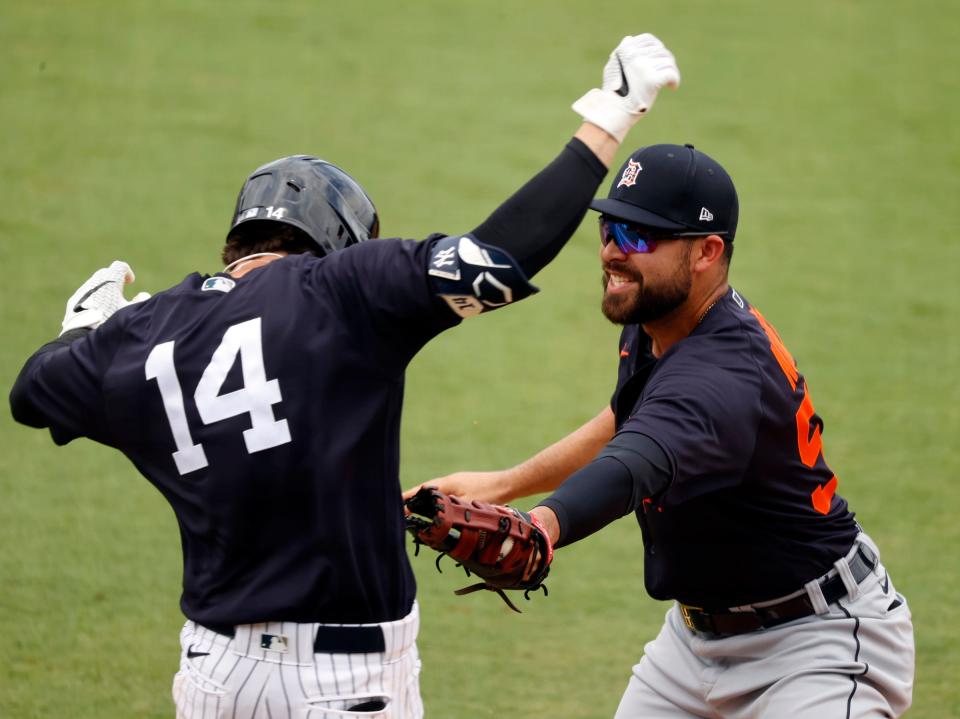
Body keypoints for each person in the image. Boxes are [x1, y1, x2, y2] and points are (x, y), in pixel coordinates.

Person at [8, 34, 680, 719]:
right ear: (335, 241)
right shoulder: (340, 289)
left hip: (215, 679)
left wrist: (87, 333)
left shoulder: (149, 333)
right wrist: (612, 114)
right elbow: (495, 263)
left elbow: (33, 392)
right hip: (346, 683)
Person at [411, 144, 915, 717]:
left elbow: (637, 462)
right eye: (610, 228)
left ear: (706, 251)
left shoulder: (721, 376)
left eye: (639, 237)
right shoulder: (657, 322)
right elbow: (628, 422)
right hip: (692, 643)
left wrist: (545, 524)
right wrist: (506, 484)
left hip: (815, 644)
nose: (611, 253)